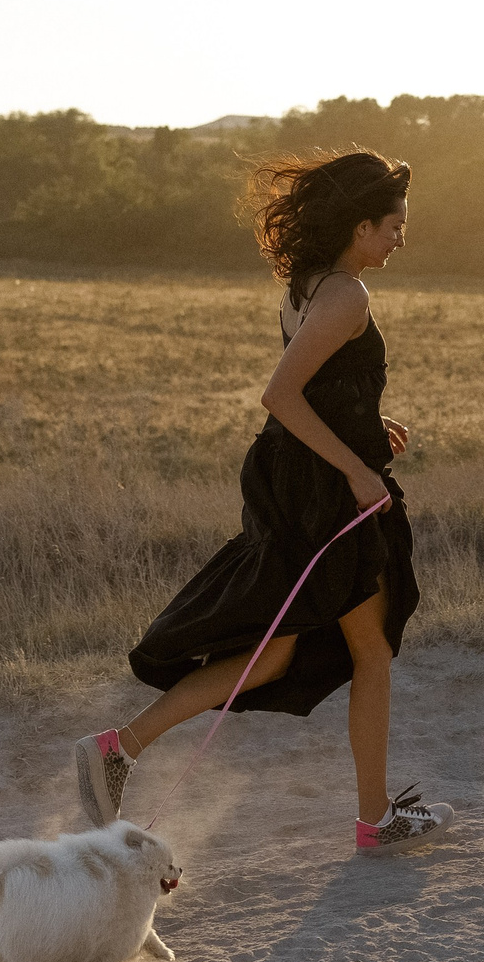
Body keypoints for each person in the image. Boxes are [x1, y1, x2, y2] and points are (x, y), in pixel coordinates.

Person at [70, 149, 454, 855]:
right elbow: (280, 393)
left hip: (295, 480)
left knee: (272, 658)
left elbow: (319, 383)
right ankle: (376, 822)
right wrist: (358, 469)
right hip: (324, 494)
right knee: (369, 650)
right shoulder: (347, 295)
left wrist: (372, 419)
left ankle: (118, 748)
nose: (401, 238)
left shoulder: (309, 284)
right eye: (394, 225)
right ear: (361, 224)